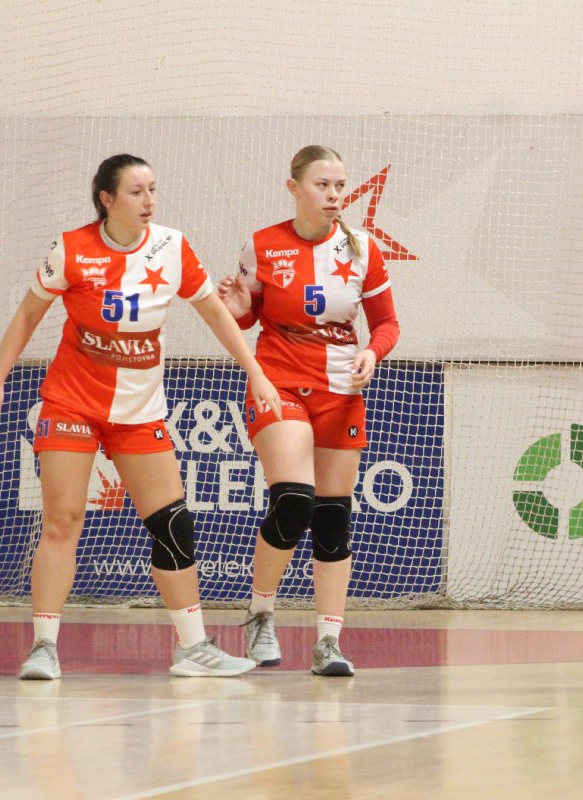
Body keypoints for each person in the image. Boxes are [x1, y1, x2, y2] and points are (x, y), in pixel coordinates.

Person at [0, 154, 282, 680]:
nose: (149, 201)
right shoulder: (72, 250)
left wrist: (255, 372)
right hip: (72, 403)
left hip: (140, 412)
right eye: (137, 192)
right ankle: (44, 648)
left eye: (153, 190)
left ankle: (192, 648)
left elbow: (215, 312)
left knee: (173, 523)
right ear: (107, 199)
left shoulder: (172, 247)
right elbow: (27, 314)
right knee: (63, 519)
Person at [217, 145, 399, 676]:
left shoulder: (362, 249)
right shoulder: (263, 244)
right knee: (294, 499)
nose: (335, 195)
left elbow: (387, 323)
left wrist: (372, 352)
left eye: (340, 185)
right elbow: (246, 318)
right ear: (294, 188)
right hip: (280, 383)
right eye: (323, 185)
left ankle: (328, 643)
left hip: (340, 390)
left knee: (332, 517)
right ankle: (260, 615)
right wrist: (239, 310)